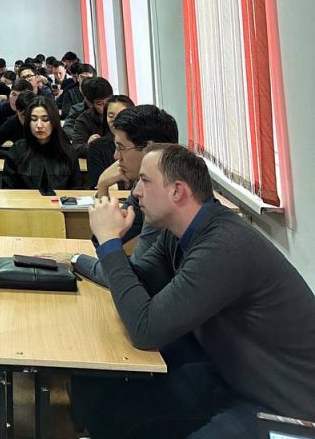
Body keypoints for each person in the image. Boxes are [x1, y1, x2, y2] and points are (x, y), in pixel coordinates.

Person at [72, 144, 315, 438]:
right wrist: (79, 258)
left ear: (177, 190)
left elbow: (146, 330)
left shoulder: (224, 246)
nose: (136, 192)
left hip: (284, 408)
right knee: (112, 407)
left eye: (145, 181)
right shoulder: (178, 234)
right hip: (230, 378)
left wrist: (110, 242)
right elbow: (137, 281)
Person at [73, 104, 179, 286]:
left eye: (121, 148)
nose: (116, 156)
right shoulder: (143, 186)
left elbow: (131, 277)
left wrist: (75, 259)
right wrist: (103, 186)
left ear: (149, 149)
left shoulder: (163, 198)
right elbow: (106, 239)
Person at [2, 98, 82, 191]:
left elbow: (76, 190)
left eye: (45, 119)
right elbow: (8, 190)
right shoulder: (17, 150)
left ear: (54, 121)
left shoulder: (68, 152)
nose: (39, 125)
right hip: (25, 200)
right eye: (34, 119)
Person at [85, 94, 135, 188]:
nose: (115, 120)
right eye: (111, 116)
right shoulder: (96, 146)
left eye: (121, 115)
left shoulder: (141, 144)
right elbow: (95, 185)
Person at [69, 76, 115, 157]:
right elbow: (75, 149)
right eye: (100, 104)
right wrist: (90, 145)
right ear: (90, 104)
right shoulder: (84, 120)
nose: (106, 107)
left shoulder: (121, 112)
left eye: (109, 101)